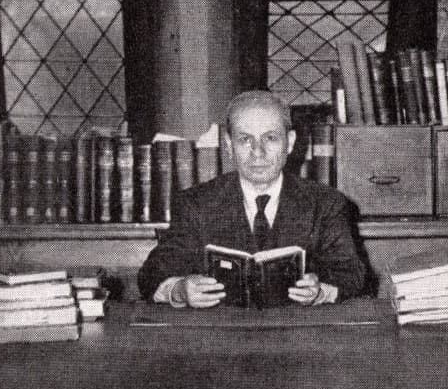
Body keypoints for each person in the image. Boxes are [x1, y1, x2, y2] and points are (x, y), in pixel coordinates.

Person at [138, 90, 365, 308]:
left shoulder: (326, 204)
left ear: (291, 142)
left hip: (301, 337)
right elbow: (152, 275)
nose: (258, 151)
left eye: (271, 138)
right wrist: (179, 290)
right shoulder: (196, 204)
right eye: (245, 139)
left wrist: (320, 292)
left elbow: (353, 275)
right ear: (228, 145)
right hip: (220, 337)